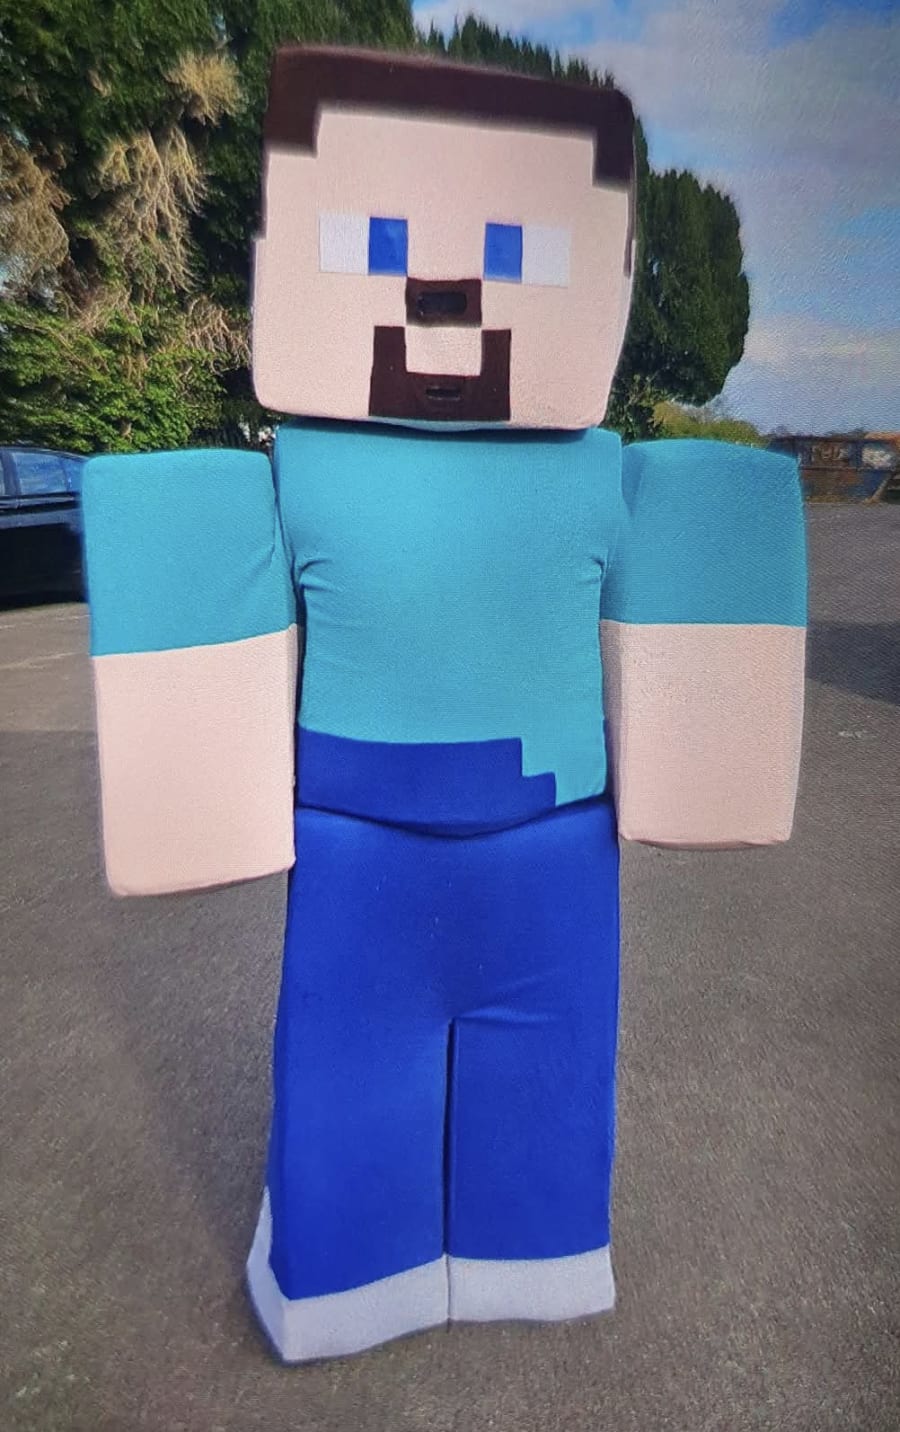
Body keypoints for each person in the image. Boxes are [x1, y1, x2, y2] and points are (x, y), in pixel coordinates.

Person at [80, 45, 807, 1364]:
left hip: (530, 852)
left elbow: (706, 593)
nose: (446, 285)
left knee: (529, 1072)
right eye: (378, 242)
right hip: (378, 849)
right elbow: (196, 598)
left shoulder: (586, 469)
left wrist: (716, 758)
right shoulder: (311, 464)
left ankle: (516, 1257)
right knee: (357, 1076)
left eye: (514, 252)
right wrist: (193, 800)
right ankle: (362, 1272)